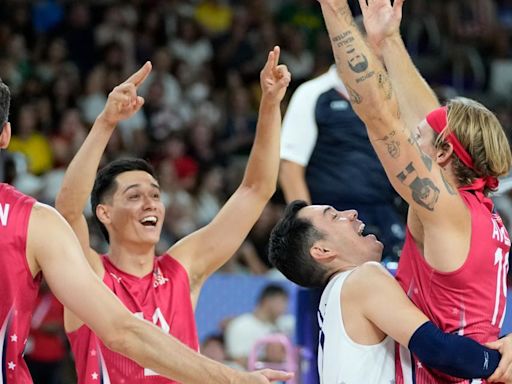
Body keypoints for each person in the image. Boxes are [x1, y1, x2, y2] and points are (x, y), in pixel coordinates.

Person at [0, 79, 292, 383]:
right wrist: (106, 122)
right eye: (134, 196)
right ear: (104, 213)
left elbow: (256, 190)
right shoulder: (89, 272)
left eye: (155, 195)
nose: (150, 204)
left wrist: (270, 105)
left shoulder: (184, 269)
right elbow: (70, 209)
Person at [317, 0, 512, 382]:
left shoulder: (444, 209)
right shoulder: (479, 212)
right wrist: (388, 41)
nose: (411, 134)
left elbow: (378, 116)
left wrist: (335, 10)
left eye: (418, 138)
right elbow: (427, 120)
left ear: (442, 155)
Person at [268, 200, 507, 383]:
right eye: (334, 216)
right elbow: (438, 351)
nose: (350, 213)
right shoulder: (362, 279)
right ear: (322, 250)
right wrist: (501, 362)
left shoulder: (334, 297)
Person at [279, 64, 403, 261]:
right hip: (335, 217)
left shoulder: (394, 96)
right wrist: (312, 236)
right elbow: (290, 170)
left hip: (386, 211)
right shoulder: (312, 93)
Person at [225, 284, 294, 368]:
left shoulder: (282, 324)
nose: (285, 308)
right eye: (282, 302)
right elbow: (238, 359)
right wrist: (270, 358)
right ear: (267, 301)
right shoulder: (241, 325)